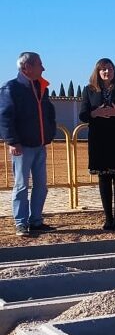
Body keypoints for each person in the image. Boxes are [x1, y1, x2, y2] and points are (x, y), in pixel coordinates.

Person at [0, 52, 57, 236]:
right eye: (40, 64)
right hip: (22, 146)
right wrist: (12, 141)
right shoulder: (11, 88)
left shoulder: (42, 87)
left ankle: (36, 220)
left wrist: (49, 132)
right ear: (26, 67)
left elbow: (48, 112)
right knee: (21, 186)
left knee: (41, 185)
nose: (43, 68)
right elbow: (5, 117)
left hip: (40, 144)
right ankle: (21, 223)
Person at [79, 58, 115, 230]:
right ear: (97, 72)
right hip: (99, 140)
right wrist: (95, 113)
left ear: (114, 71)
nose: (107, 72)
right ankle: (108, 218)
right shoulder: (89, 90)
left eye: (110, 69)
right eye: (103, 69)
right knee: (104, 179)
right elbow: (83, 115)